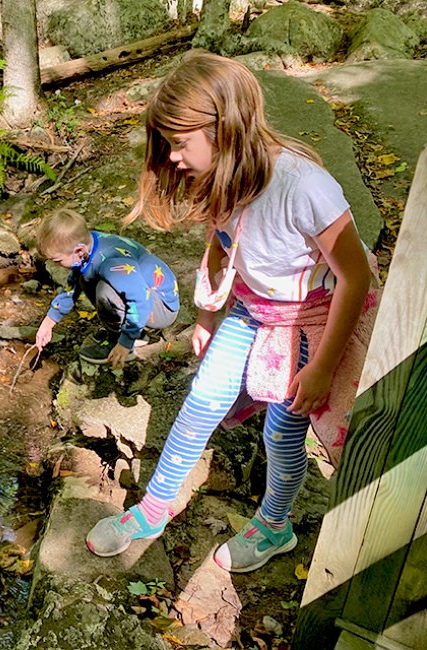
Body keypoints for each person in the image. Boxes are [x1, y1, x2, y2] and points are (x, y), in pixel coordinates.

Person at [85, 50, 379, 572]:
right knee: (201, 398)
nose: (173, 158)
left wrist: (322, 368)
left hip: (307, 320)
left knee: (282, 432)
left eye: (179, 144)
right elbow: (223, 243)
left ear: (224, 128)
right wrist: (206, 316)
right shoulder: (225, 173)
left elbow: (354, 278)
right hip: (251, 311)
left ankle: (275, 524)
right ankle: (154, 509)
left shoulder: (303, 186)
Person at [33, 208, 180, 368]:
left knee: (105, 291)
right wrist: (49, 322)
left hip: (160, 307)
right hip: (143, 294)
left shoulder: (111, 263)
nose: (54, 265)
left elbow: (140, 301)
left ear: (79, 251)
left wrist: (125, 342)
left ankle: (128, 340)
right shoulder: (89, 247)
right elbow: (72, 287)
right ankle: (122, 329)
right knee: (86, 279)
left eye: (57, 260)